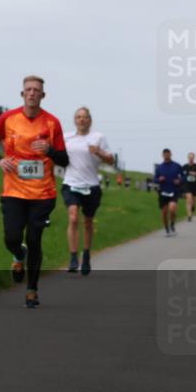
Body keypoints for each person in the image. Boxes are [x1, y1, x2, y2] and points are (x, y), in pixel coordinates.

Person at [0, 75, 69, 308]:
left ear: (43, 95)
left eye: (36, 90)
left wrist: (50, 150)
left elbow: (64, 159)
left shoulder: (52, 123)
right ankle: (18, 255)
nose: (32, 93)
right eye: (28, 89)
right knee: (12, 238)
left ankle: (32, 290)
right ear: (22, 94)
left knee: (34, 239)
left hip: (42, 194)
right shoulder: (8, 118)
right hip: (13, 191)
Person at [61, 107, 115, 276]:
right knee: (73, 216)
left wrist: (98, 152)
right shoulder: (66, 137)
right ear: (75, 120)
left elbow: (111, 160)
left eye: (85, 117)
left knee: (88, 222)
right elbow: (58, 156)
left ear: (90, 120)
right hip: (71, 183)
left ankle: (86, 256)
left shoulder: (98, 137)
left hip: (91, 185)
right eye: (78, 117)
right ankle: (73, 257)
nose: (81, 120)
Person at [154, 149, 184, 236]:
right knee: (164, 212)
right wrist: (159, 179)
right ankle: (167, 229)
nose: (166, 155)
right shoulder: (159, 167)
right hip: (163, 192)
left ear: (171, 154)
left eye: (168, 154)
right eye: (165, 154)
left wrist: (179, 180)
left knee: (172, 208)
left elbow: (183, 176)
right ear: (162, 155)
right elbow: (155, 179)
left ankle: (172, 225)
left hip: (174, 191)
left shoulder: (177, 165)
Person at [181, 152, 196, 222]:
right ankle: (189, 216)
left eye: (192, 157)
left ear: (194, 158)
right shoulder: (184, 166)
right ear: (188, 158)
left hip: (195, 185)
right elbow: (180, 174)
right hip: (187, 185)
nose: (191, 159)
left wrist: (195, 173)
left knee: (193, 200)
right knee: (188, 199)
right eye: (189, 157)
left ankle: (193, 207)